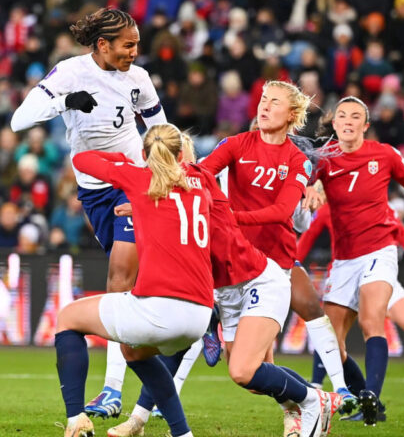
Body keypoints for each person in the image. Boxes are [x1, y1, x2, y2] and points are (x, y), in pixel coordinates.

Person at [108, 133, 344, 437]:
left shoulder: (202, 183)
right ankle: (311, 400)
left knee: (233, 363)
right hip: (224, 280)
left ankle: (315, 400)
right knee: (250, 375)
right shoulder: (204, 173)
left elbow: (291, 217)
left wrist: (308, 185)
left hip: (260, 271)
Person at [11, 8, 167, 419]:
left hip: (134, 181)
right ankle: (201, 319)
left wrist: (163, 167)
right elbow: (18, 120)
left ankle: (112, 390)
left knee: (120, 278)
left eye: (136, 44)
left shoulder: (139, 78)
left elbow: (157, 124)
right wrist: (65, 101)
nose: (135, 52)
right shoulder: (70, 73)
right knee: (133, 284)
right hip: (93, 189)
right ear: (103, 45)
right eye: (128, 45)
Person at [200, 81, 358, 419]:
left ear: (292, 114)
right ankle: (311, 401)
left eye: (274, 102)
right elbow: (202, 173)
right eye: (262, 99)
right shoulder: (236, 144)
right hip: (234, 261)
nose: (265, 106)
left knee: (250, 366)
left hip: (272, 265)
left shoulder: (297, 160)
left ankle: (325, 399)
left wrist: (230, 216)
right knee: (253, 377)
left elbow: (281, 211)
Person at [309, 96, 404, 425]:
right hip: (344, 259)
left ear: (365, 126)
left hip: (379, 250)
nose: (347, 120)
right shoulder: (322, 161)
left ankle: (373, 394)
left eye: (356, 116)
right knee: (331, 340)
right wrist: (309, 189)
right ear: (334, 124)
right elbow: (301, 187)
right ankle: (369, 403)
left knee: (372, 319)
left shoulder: (385, 154)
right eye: (342, 116)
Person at [57, 124, 213, 437]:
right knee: (134, 352)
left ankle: (76, 421)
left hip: (159, 309)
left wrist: (125, 159)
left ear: (145, 155)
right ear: (182, 153)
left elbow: (83, 160)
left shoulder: (140, 178)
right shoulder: (203, 182)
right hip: (199, 316)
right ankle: (182, 433)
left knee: (68, 318)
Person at [296, 203, 404, 398]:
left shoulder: (374, 200)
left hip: (378, 271)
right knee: (334, 338)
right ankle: (319, 384)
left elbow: (399, 231)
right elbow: (309, 235)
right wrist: (292, 264)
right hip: (347, 275)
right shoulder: (331, 207)